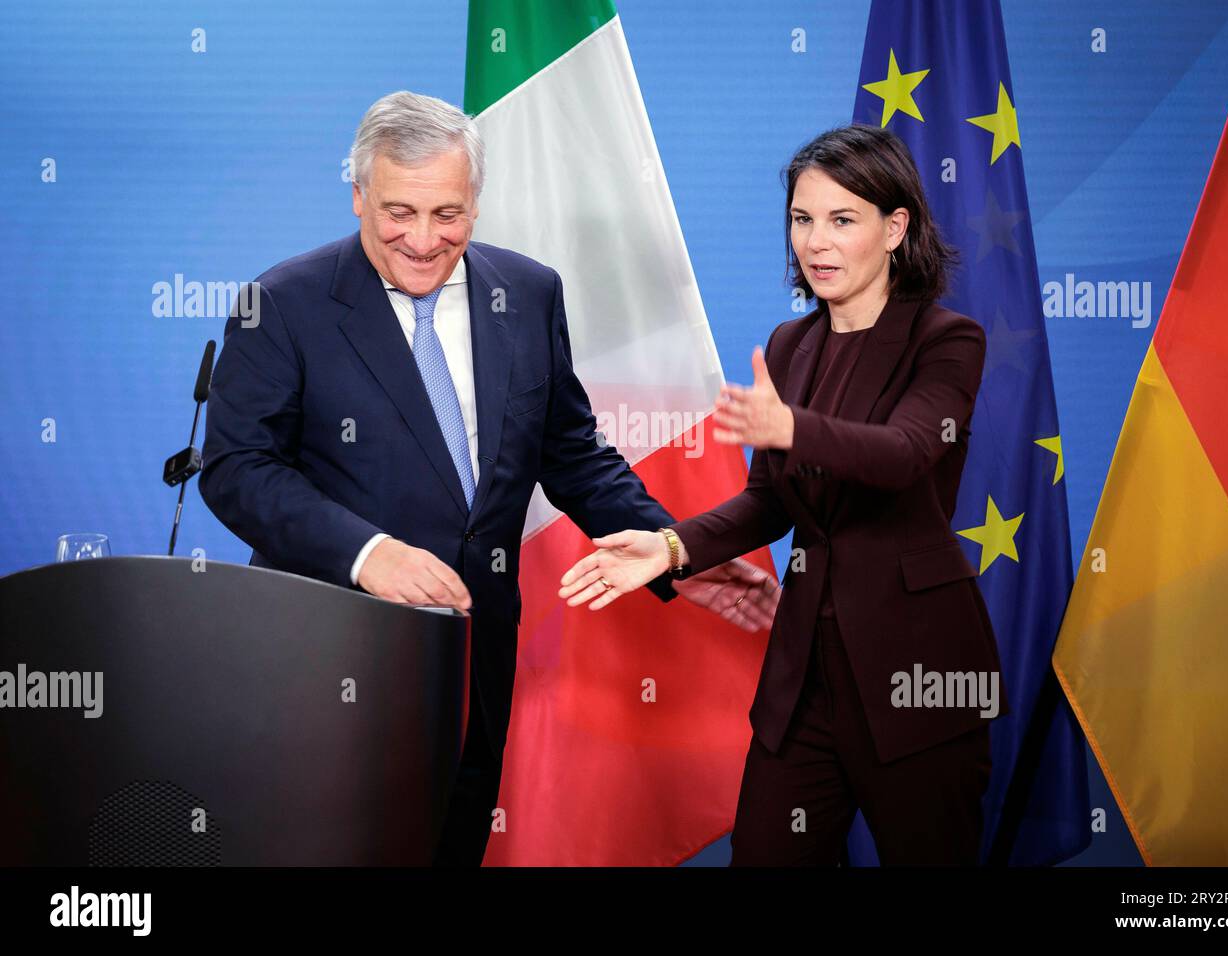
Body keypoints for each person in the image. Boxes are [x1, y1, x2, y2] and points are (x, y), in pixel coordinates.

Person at [199, 91, 780, 866]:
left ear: (477, 201)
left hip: (479, 656)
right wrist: (372, 555)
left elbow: (570, 451)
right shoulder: (279, 304)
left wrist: (675, 548)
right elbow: (238, 470)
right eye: (398, 212)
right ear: (358, 197)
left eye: (448, 214)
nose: (422, 239)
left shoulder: (529, 292)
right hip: (329, 660)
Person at [559, 125, 1009, 866]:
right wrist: (671, 546)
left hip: (921, 683)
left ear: (895, 228)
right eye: (803, 220)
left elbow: (905, 456)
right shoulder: (790, 347)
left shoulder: (947, 339)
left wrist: (791, 426)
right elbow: (770, 502)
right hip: (805, 685)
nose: (817, 242)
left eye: (842, 219)